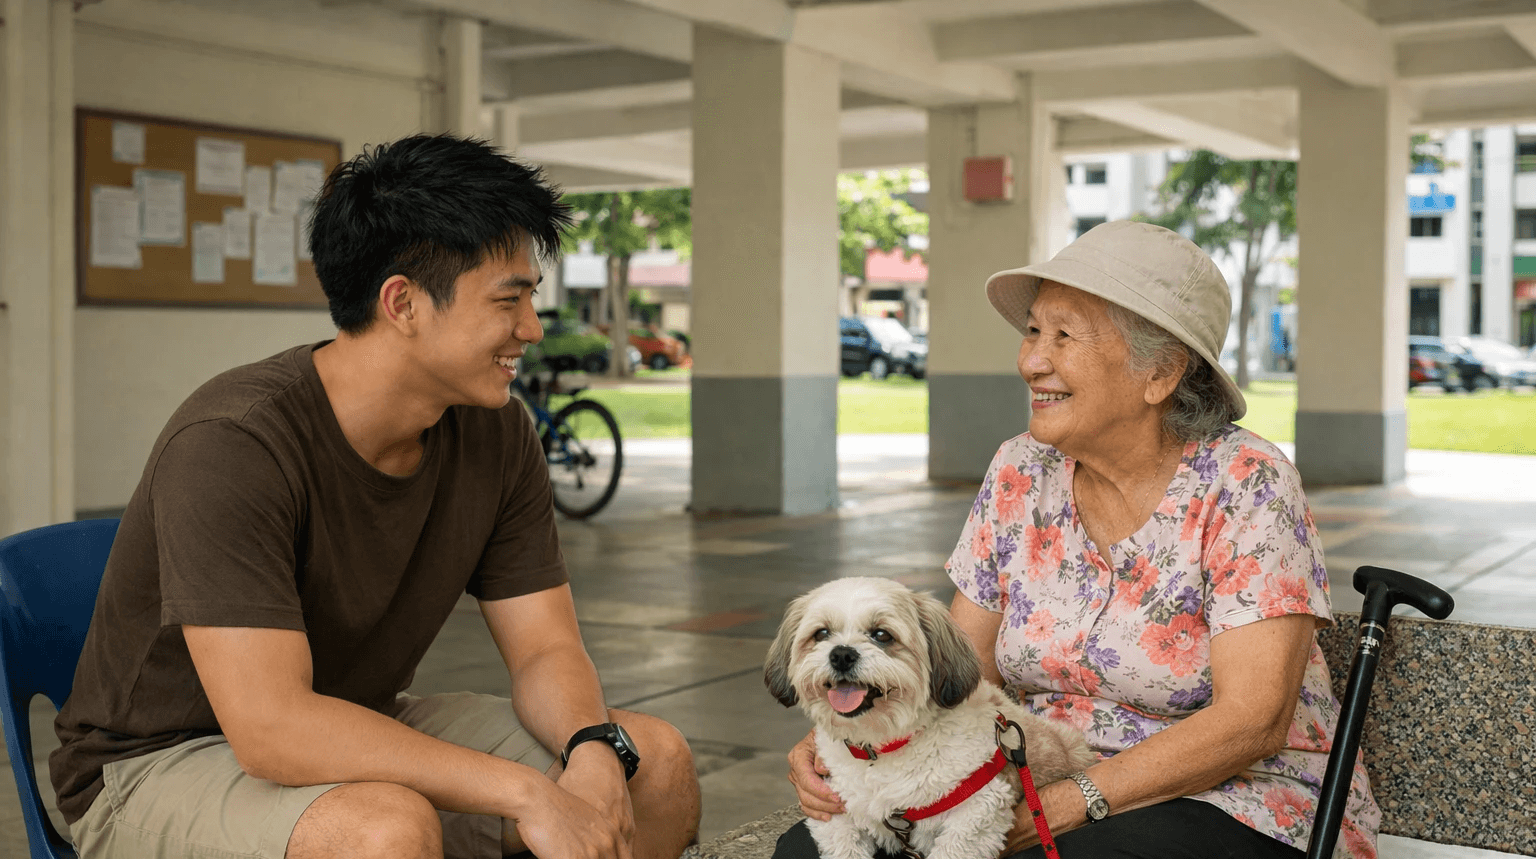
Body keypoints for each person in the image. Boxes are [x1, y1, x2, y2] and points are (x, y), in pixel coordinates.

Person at [51, 134, 700, 859]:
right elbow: (273, 728)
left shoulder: (496, 432)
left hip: (350, 722)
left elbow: (545, 646)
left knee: (654, 762)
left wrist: (592, 749)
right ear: (403, 303)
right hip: (155, 765)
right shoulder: (232, 442)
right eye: (508, 301)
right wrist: (527, 791)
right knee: (384, 831)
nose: (532, 329)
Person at [778, 220, 1380, 858]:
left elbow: (1252, 722)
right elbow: (958, 672)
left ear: (1161, 373)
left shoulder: (1245, 484)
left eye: (1063, 336)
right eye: (1035, 330)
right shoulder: (1019, 471)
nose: (1031, 360)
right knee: (805, 853)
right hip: (1033, 771)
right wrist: (854, 733)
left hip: (1234, 800)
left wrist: (1065, 805)